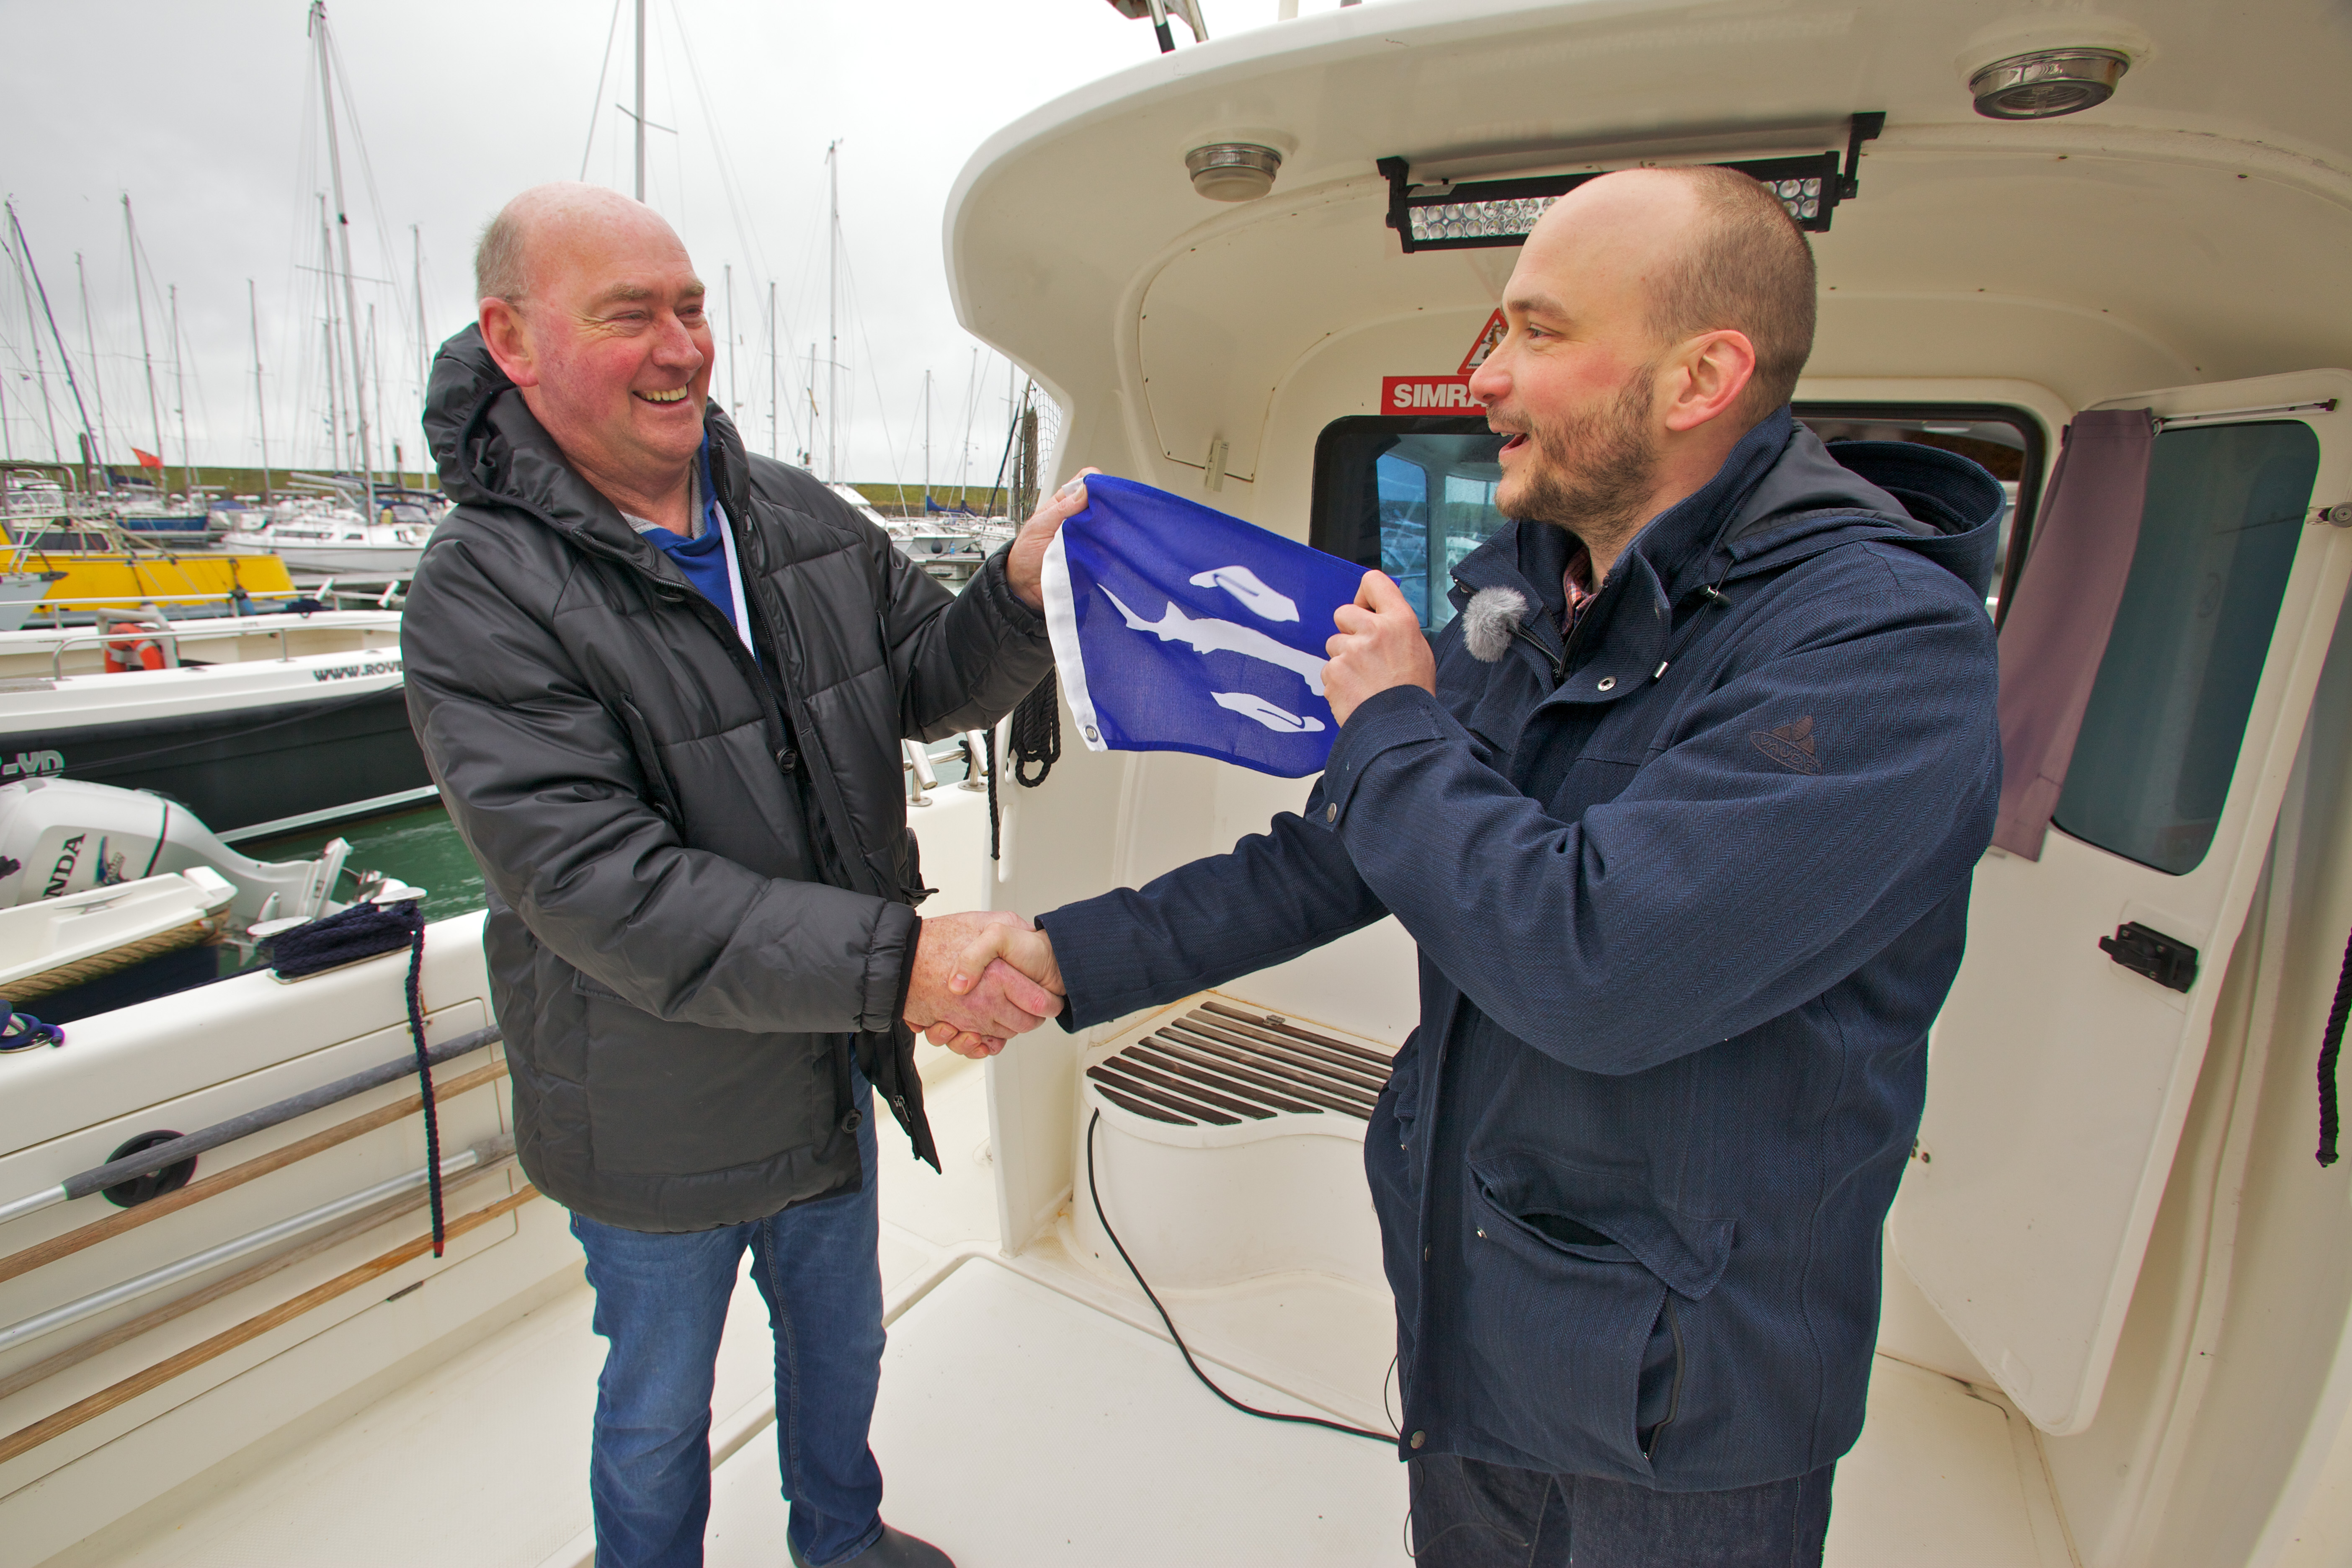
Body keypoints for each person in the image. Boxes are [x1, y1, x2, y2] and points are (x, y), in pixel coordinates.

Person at [946, 165, 2006, 1565]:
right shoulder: (1551, 583)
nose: (1484, 380)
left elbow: (1600, 966)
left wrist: (1390, 714)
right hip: (1478, 1300)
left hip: (1679, 1404)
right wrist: (1068, 953)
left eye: (1534, 333)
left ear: (1704, 376)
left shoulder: (1880, 647)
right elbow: (1344, 856)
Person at [401, 183, 1064, 1568]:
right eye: (628, 314)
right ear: (511, 341)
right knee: (657, 1412)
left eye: (691, 308)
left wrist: (1012, 592)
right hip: (651, 1112)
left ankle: (840, 1542)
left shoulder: (797, 517)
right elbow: (604, 887)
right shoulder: (477, 591)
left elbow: (926, 683)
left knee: (845, 1349)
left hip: (825, 1068)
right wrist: (904, 968)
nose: (679, 347)